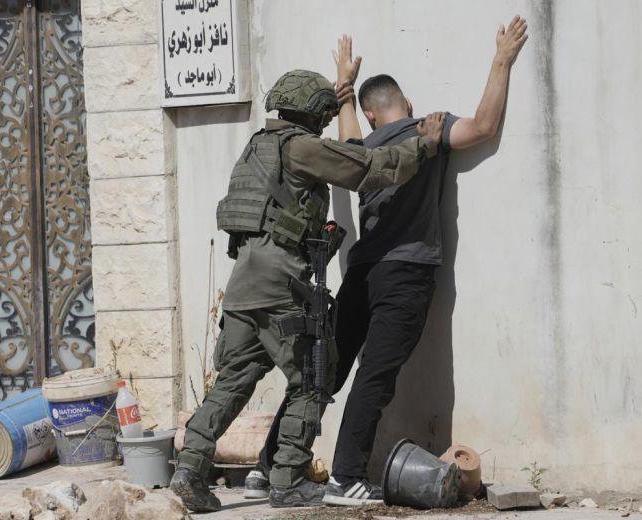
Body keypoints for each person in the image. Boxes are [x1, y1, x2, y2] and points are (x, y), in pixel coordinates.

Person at [245, 17, 529, 506]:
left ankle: (270, 467)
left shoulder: (363, 151)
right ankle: (346, 477)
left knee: (322, 373)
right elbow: (484, 126)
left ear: (372, 115)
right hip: (405, 273)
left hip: (361, 274)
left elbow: (350, 136)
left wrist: (344, 88)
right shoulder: (428, 129)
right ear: (408, 103)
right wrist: (502, 59)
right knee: (374, 375)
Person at [169, 69, 445, 513]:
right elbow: (368, 168)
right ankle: (289, 479)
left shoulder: (257, 147)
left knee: (233, 381)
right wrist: (424, 144)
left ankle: (189, 471)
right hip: (280, 285)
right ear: (312, 113)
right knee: (314, 377)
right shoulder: (300, 147)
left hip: (243, 286)